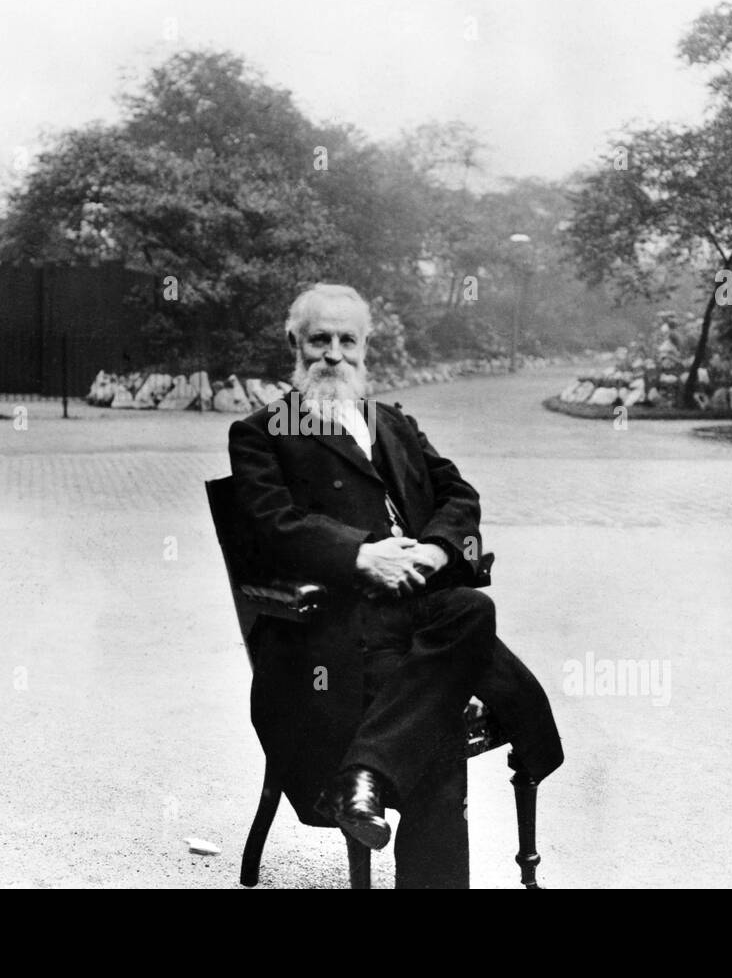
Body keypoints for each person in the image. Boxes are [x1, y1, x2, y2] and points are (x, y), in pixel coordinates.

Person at [227, 283, 563, 887]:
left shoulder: (394, 422)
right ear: (293, 345)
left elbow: (460, 495)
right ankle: (377, 787)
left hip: (416, 614)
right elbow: (273, 529)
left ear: (364, 347)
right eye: (318, 340)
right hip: (332, 633)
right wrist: (361, 556)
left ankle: (366, 776)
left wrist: (434, 551)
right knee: (437, 713)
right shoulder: (262, 432)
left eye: (345, 340)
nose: (332, 354)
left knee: (468, 608)